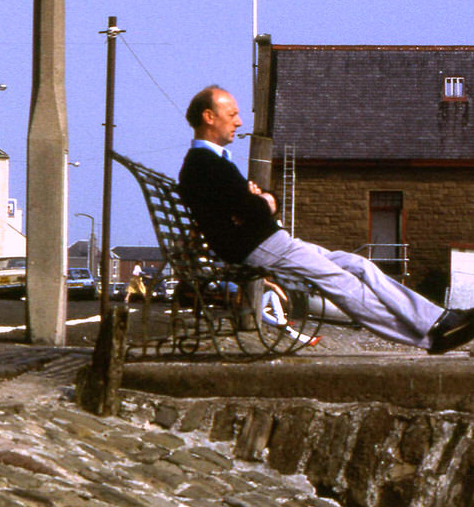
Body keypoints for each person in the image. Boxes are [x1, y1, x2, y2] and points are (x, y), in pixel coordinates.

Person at [178, 85, 474, 355]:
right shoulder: (204, 166)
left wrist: (262, 201)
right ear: (209, 117)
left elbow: (261, 203)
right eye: (232, 114)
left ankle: (439, 319)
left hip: (269, 241)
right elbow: (253, 209)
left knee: (359, 265)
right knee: (344, 284)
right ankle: (431, 337)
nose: (239, 122)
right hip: (259, 246)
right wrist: (260, 201)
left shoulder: (213, 164)